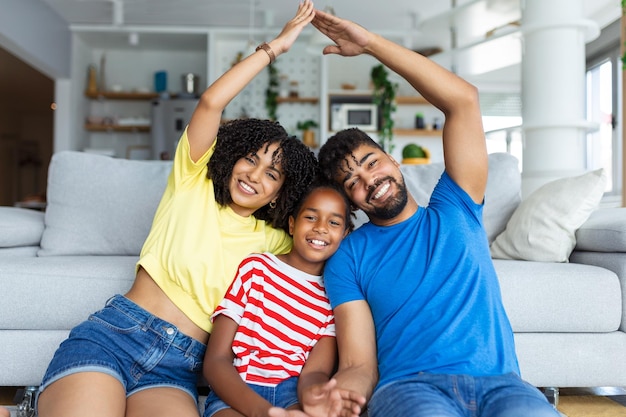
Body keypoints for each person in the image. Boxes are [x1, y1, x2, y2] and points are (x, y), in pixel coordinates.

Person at [270, 6, 560, 417]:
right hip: (411, 390)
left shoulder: (456, 207)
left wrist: (369, 44)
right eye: (352, 181)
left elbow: (463, 100)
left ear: (394, 159)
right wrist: (342, 394)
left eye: (371, 163)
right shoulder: (349, 257)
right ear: (352, 201)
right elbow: (358, 364)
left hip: (502, 386)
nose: (369, 180)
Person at [36, 2, 319, 417]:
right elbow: (210, 103)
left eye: (272, 174)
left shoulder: (276, 240)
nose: (255, 175)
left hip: (178, 367)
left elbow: (328, 228)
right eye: (251, 159)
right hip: (116, 334)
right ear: (234, 156)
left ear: (280, 194)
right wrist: (275, 47)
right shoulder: (194, 181)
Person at [203, 180, 365, 417]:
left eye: (333, 222)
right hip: (238, 388)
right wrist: (264, 411)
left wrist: (316, 394)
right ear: (292, 224)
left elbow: (313, 374)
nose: (321, 228)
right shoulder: (256, 269)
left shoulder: (335, 297)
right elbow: (215, 361)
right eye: (311, 217)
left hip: (290, 395)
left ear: (344, 235)